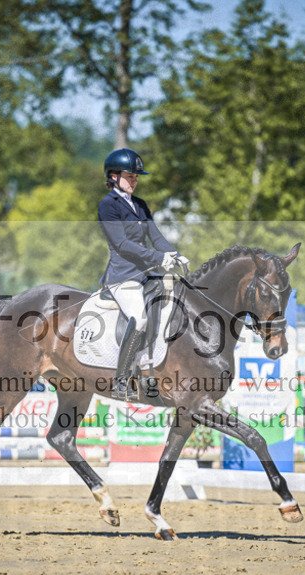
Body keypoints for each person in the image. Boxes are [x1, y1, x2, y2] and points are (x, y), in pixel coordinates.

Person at [98, 148, 189, 401]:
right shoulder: (108, 206)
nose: (134, 180)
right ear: (114, 177)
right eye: (130, 176)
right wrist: (160, 258)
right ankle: (121, 380)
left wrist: (175, 254)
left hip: (147, 275)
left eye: (137, 177)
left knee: (170, 308)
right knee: (139, 318)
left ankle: (150, 371)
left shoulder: (140, 205)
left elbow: (156, 237)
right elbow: (122, 244)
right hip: (122, 277)